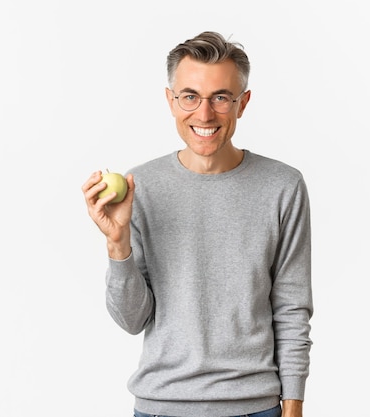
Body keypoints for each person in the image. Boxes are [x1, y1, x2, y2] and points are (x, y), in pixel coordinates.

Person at [81, 31, 313, 417]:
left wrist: (293, 406)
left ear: (243, 103)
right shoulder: (143, 187)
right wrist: (117, 244)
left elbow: (291, 307)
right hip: (161, 406)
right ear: (171, 101)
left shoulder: (282, 186)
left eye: (221, 97)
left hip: (256, 407)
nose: (204, 114)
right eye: (190, 96)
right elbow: (131, 320)